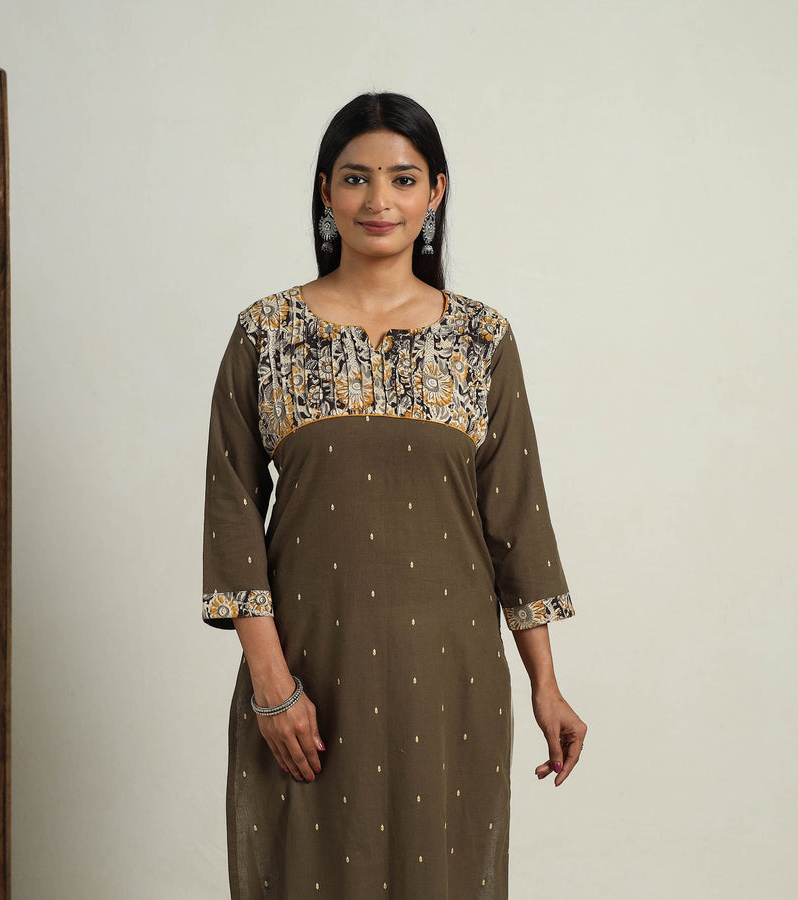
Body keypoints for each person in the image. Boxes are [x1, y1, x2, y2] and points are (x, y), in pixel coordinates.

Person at [202, 92, 586, 899]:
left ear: (435, 192)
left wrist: (545, 684)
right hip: (307, 675)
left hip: (448, 682)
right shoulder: (267, 335)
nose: (379, 200)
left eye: (403, 179)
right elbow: (231, 511)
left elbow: (517, 522)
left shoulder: (481, 340)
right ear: (325, 190)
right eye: (356, 178)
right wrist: (271, 685)